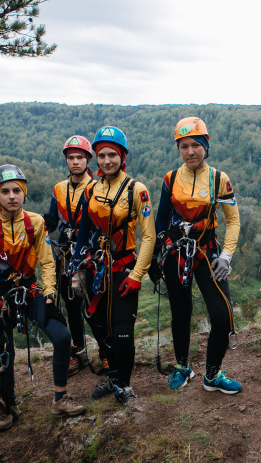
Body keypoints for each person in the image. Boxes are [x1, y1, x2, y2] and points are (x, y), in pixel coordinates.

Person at [0, 164, 85, 432]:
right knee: (4, 352)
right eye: (5, 191)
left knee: (62, 337)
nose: (12, 196)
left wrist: (50, 294)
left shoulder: (36, 222)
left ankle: (60, 399)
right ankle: (9, 406)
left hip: (29, 292)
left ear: (24, 193)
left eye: (17, 191)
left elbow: (47, 261)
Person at [150, 116, 242, 394]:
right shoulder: (170, 179)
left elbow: (233, 221)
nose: (190, 152)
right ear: (179, 149)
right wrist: (156, 254)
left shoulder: (219, 179)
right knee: (180, 313)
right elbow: (161, 219)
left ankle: (212, 375)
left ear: (205, 146)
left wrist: (226, 256)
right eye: (184, 146)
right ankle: (183, 367)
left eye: (195, 145)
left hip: (207, 253)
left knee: (222, 315)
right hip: (176, 253)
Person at [70, 126, 155, 403]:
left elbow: (149, 236)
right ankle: (114, 375)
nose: (106, 161)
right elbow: (83, 231)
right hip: (95, 270)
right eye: (102, 155)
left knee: (123, 331)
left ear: (122, 157)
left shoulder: (136, 190)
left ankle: (124, 385)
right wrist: (76, 267)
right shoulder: (91, 189)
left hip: (123, 268)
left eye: (112, 155)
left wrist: (137, 275)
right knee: (100, 326)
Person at [44, 135, 106, 377]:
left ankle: (105, 351)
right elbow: (53, 218)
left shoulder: (97, 187)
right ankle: (79, 352)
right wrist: (48, 222)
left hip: (88, 253)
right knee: (71, 304)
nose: (75, 162)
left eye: (80, 157)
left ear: (88, 160)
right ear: (66, 160)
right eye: (71, 158)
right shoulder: (59, 189)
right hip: (66, 253)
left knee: (93, 306)